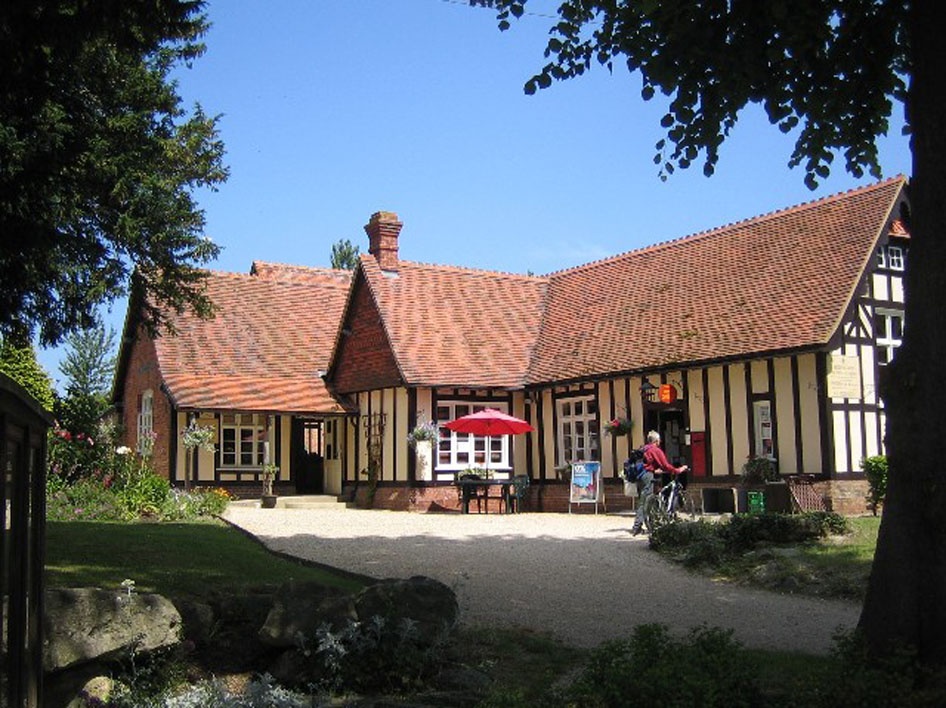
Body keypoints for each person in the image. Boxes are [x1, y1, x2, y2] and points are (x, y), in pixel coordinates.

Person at [631, 430, 689, 536]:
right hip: (647, 477)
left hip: (639, 477)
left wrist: (654, 470)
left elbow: (646, 464)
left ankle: (652, 523)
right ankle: (637, 527)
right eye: (659, 440)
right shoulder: (655, 450)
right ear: (657, 441)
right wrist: (678, 470)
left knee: (644, 500)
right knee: (644, 502)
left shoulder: (644, 449)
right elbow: (665, 465)